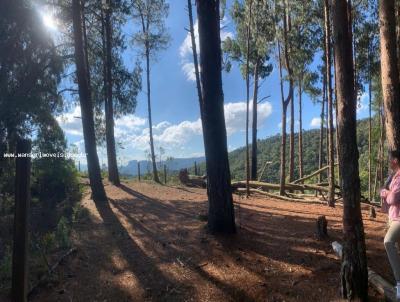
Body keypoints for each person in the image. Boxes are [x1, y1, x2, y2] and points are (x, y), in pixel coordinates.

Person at [381, 150, 400, 298]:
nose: (389, 161)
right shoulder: (394, 176)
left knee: (388, 241)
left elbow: (393, 198)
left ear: (396, 160)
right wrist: (385, 192)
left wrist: (386, 193)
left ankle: (399, 282)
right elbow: (387, 193)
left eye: (391, 159)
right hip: (393, 217)